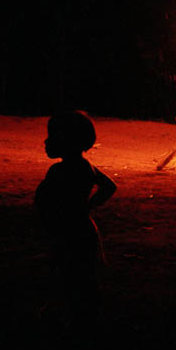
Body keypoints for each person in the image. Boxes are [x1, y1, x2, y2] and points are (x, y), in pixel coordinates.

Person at [35, 110, 116, 322]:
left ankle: (68, 316)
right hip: (83, 227)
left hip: (67, 231)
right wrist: (87, 206)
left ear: (66, 140)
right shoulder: (86, 167)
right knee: (84, 274)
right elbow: (109, 186)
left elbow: (46, 199)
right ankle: (86, 314)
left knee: (67, 271)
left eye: (52, 136)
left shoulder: (58, 171)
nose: (46, 141)